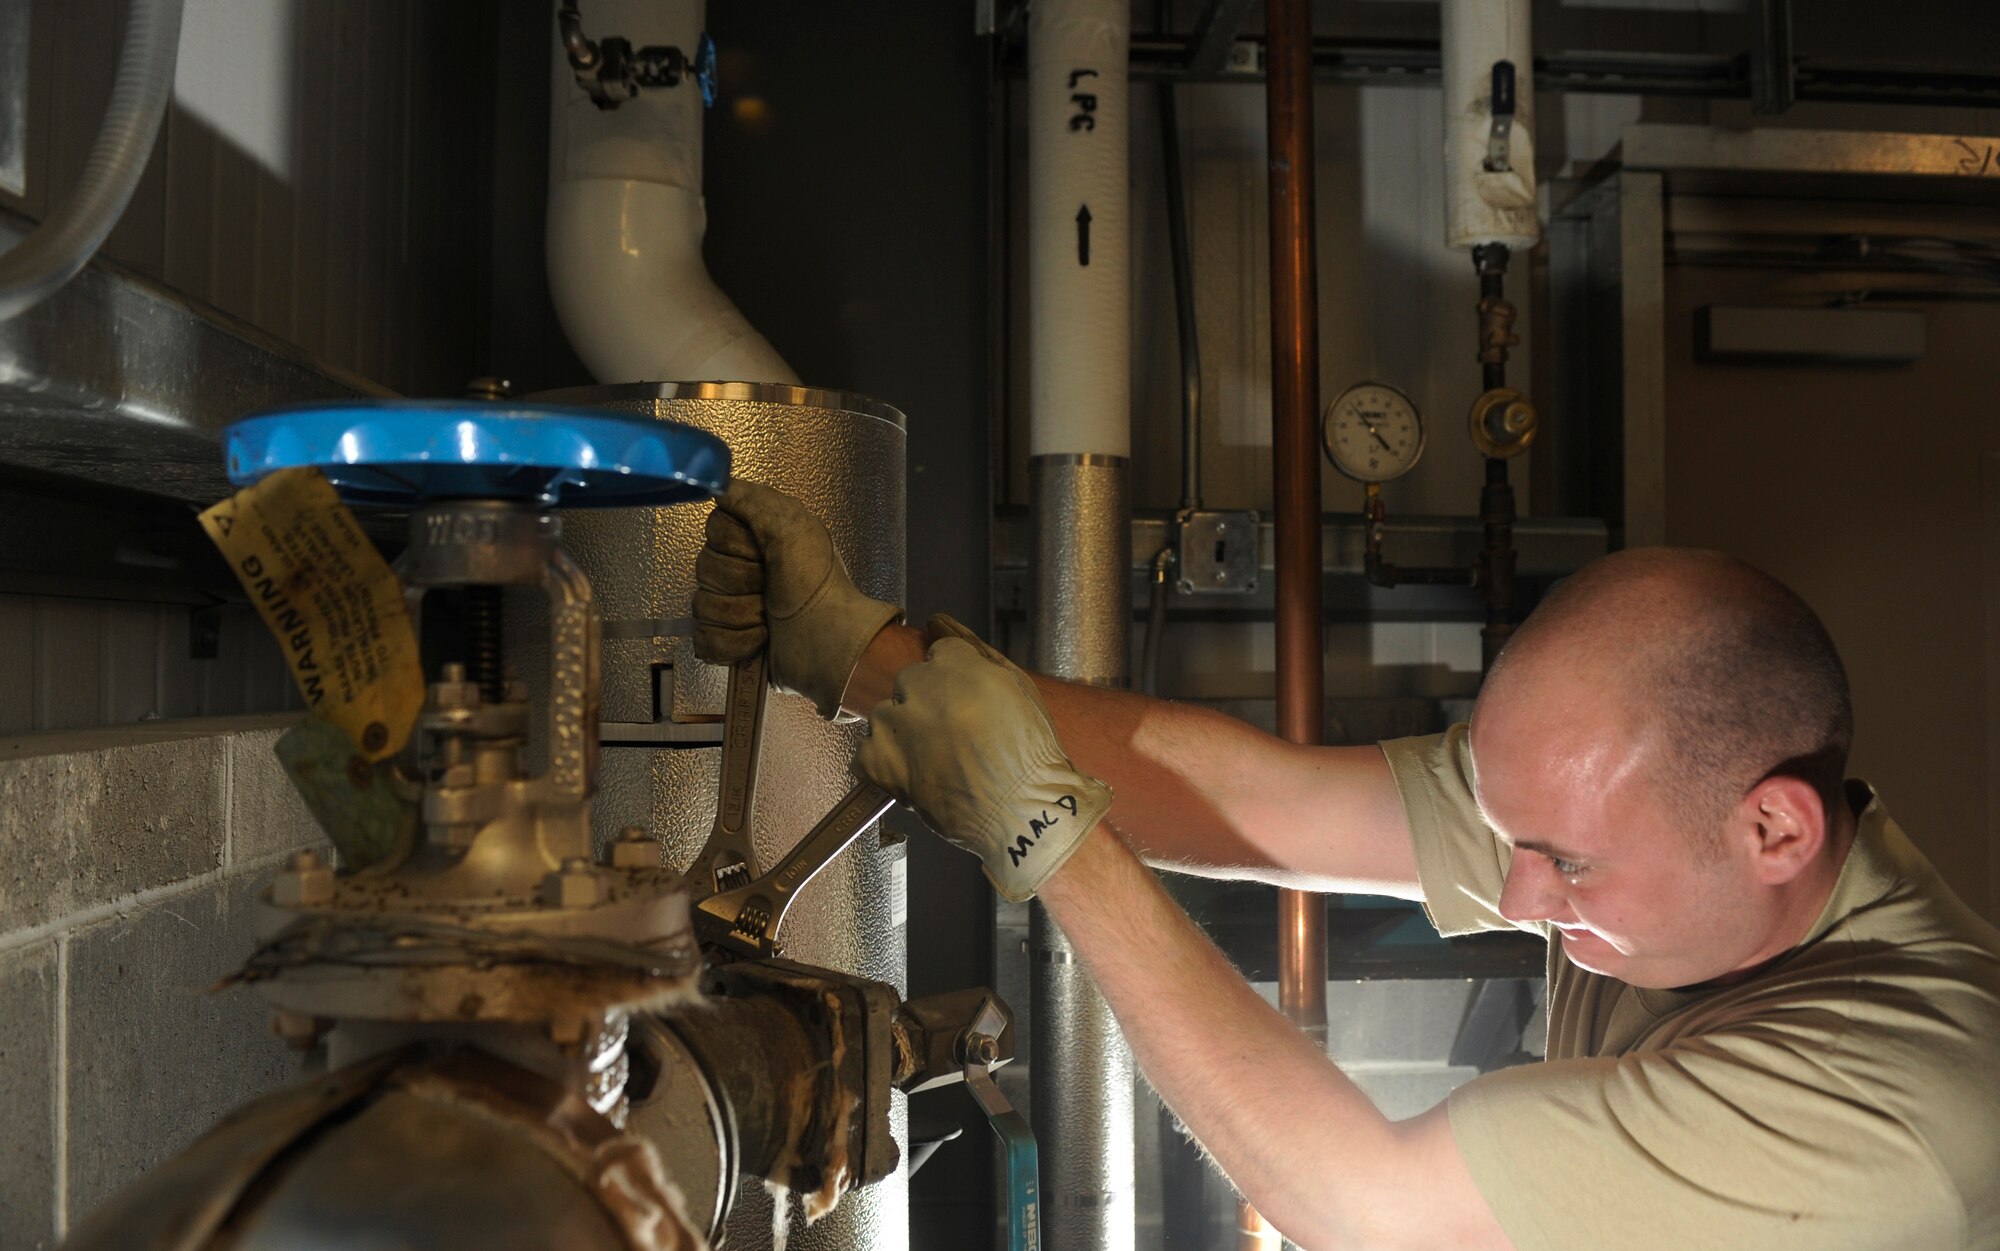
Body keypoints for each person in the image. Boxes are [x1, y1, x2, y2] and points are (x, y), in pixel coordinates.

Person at [695, 480, 2000, 1251]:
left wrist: (1048, 839)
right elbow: (1264, 802)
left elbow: (1365, 1206)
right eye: (1517, 841)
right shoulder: (1671, 843)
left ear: (1776, 830)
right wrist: (860, 655)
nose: (1523, 901)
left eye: (1567, 867)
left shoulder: (1898, 1116)